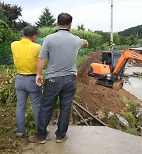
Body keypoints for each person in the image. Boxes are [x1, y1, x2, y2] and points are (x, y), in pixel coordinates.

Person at [29, 13, 88, 144]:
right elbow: (84, 43)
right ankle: (61, 136)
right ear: (70, 25)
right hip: (70, 80)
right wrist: (84, 42)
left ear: (57, 23)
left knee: (46, 107)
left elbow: (41, 58)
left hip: (53, 79)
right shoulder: (76, 40)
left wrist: (38, 74)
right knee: (65, 107)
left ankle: (41, 136)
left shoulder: (49, 39)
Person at [11, 26, 42, 137]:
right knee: (37, 105)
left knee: (20, 106)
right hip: (32, 79)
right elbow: (42, 61)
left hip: (19, 78)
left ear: (23, 34)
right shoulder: (37, 47)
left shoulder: (14, 44)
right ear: (34, 36)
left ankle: (20, 131)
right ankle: (40, 131)